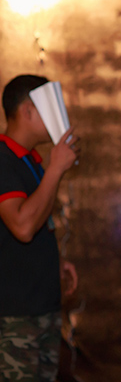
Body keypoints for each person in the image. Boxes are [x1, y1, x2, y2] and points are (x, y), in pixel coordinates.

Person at [0, 74, 79, 381]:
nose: (59, 116)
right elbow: (22, 226)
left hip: (41, 307)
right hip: (15, 315)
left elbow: (38, 219)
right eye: (51, 107)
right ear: (28, 110)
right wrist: (55, 168)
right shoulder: (3, 159)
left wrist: (55, 261)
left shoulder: (29, 160)